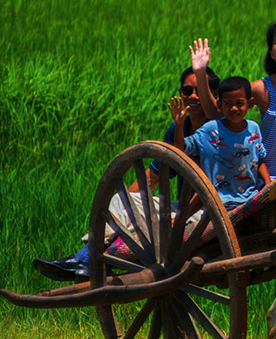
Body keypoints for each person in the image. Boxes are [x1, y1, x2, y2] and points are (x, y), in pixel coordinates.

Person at [32, 65, 220, 281]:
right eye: (188, 91)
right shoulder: (177, 128)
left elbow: (214, 184)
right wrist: (128, 205)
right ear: (180, 94)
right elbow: (152, 177)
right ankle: (90, 257)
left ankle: (87, 260)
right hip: (183, 206)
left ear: (213, 94)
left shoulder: (219, 129)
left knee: (137, 210)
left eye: (200, 90)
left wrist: (181, 216)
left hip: (205, 211)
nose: (194, 96)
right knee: (124, 200)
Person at [191, 20, 276, 179]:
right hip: (271, 181)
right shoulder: (262, 88)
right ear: (271, 53)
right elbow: (215, 112)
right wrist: (200, 73)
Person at [178, 77, 269, 209]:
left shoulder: (253, 129)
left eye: (239, 103)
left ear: (250, 104)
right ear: (220, 105)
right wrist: (179, 125)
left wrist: (267, 183)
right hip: (219, 202)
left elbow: (259, 159)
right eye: (228, 104)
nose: (233, 108)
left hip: (250, 198)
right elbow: (181, 148)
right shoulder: (210, 130)